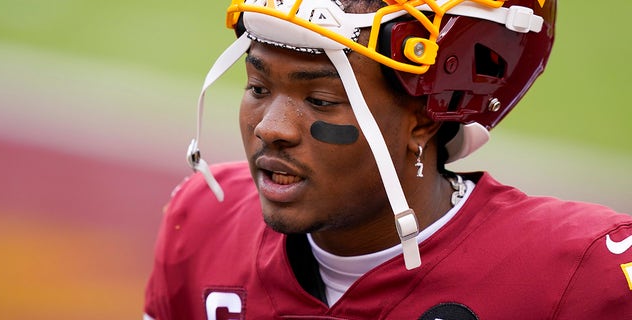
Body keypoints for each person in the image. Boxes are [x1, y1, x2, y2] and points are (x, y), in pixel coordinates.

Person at [144, 0, 632, 319]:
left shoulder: (580, 274)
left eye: (319, 100)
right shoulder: (203, 221)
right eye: (257, 87)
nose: (271, 128)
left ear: (423, 118)